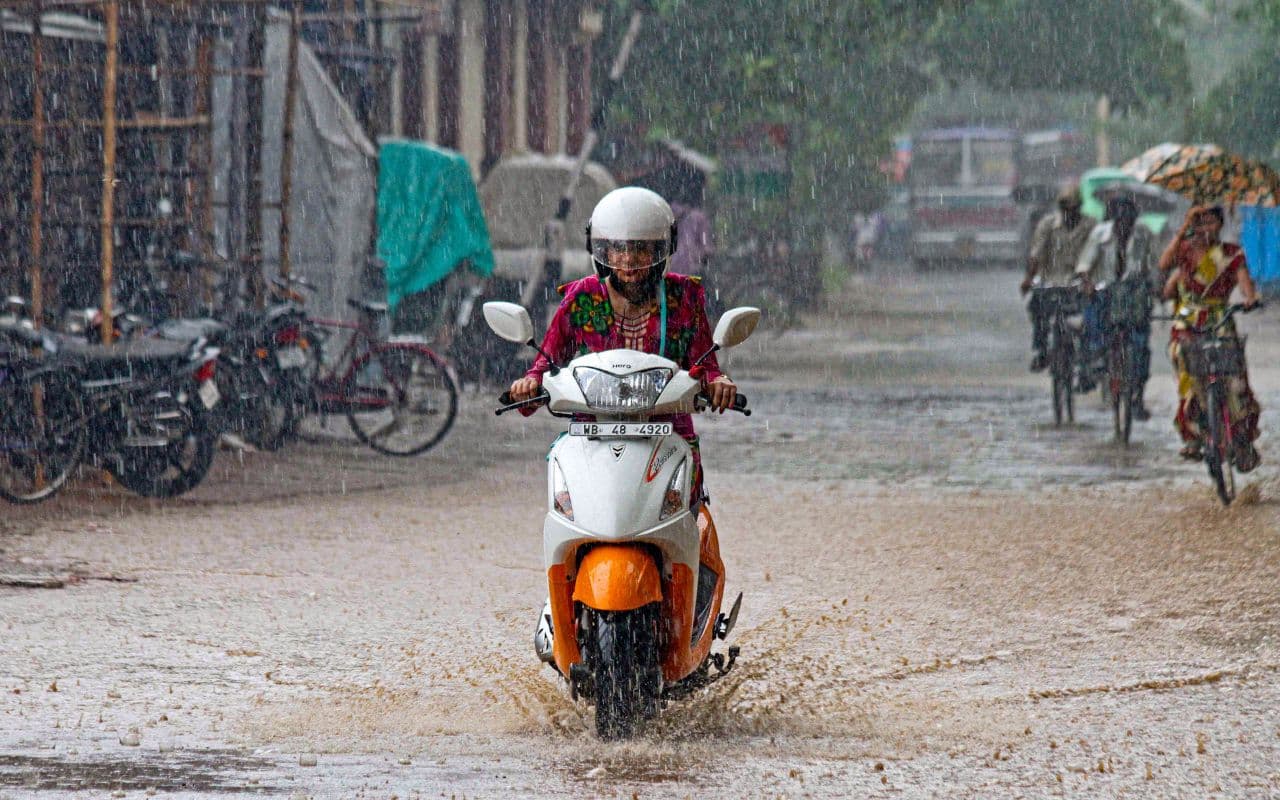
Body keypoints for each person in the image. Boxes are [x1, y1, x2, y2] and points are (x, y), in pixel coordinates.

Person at [508, 186, 738, 505]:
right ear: (602, 251)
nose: (628, 260)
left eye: (641, 249)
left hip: (667, 435)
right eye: (618, 249)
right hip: (590, 435)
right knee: (565, 507)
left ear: (663, 250)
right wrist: (529, 384)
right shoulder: (581, 298)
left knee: (689, 517)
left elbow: (705, 364)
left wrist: (717, 382)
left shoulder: (685, 297)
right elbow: (546, 362)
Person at [1158, 205, 1262, 468]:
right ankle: (1193, 435)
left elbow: (1244, 283)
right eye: (1200, 223)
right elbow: (1163, 264)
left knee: (1235, 379)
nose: (1206, 229)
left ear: (1220, 224)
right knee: (1188, 375)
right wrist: (1184, 228)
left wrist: (1250, 299)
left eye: (1211, 223)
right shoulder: (1185, 249)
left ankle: (1242, 440)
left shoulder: (1231, 253)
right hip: (1187, 323)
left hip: (1220, 320)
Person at [1075, 193, 1158, 418]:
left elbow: (1155, 265)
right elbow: (1085, 264)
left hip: (1135, 295)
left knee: (1140, 346)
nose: (1124, 226)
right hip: (1106, 291)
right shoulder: (1099, 235)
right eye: (1120, 221)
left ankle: (1137, 397)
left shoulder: (1145, 235)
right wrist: (1087, 282)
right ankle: (1095, 360)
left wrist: (1156, 287)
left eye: (1128, 221)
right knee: (1094, 322)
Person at [1020, 184, 1095, 371]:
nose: (1069, 213)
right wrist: (1029, 279)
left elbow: (1095, 254)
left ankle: (1089, 360)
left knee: (1091, 315)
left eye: (1073, 208)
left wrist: (1089, 280)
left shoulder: (1091, 226)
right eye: (1065, 208)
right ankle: (1041, 349)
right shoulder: (1048, 225)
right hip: (1051, 282)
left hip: (1079, 283)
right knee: (1037, 307)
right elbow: (1036, 254)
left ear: (1079, 207)